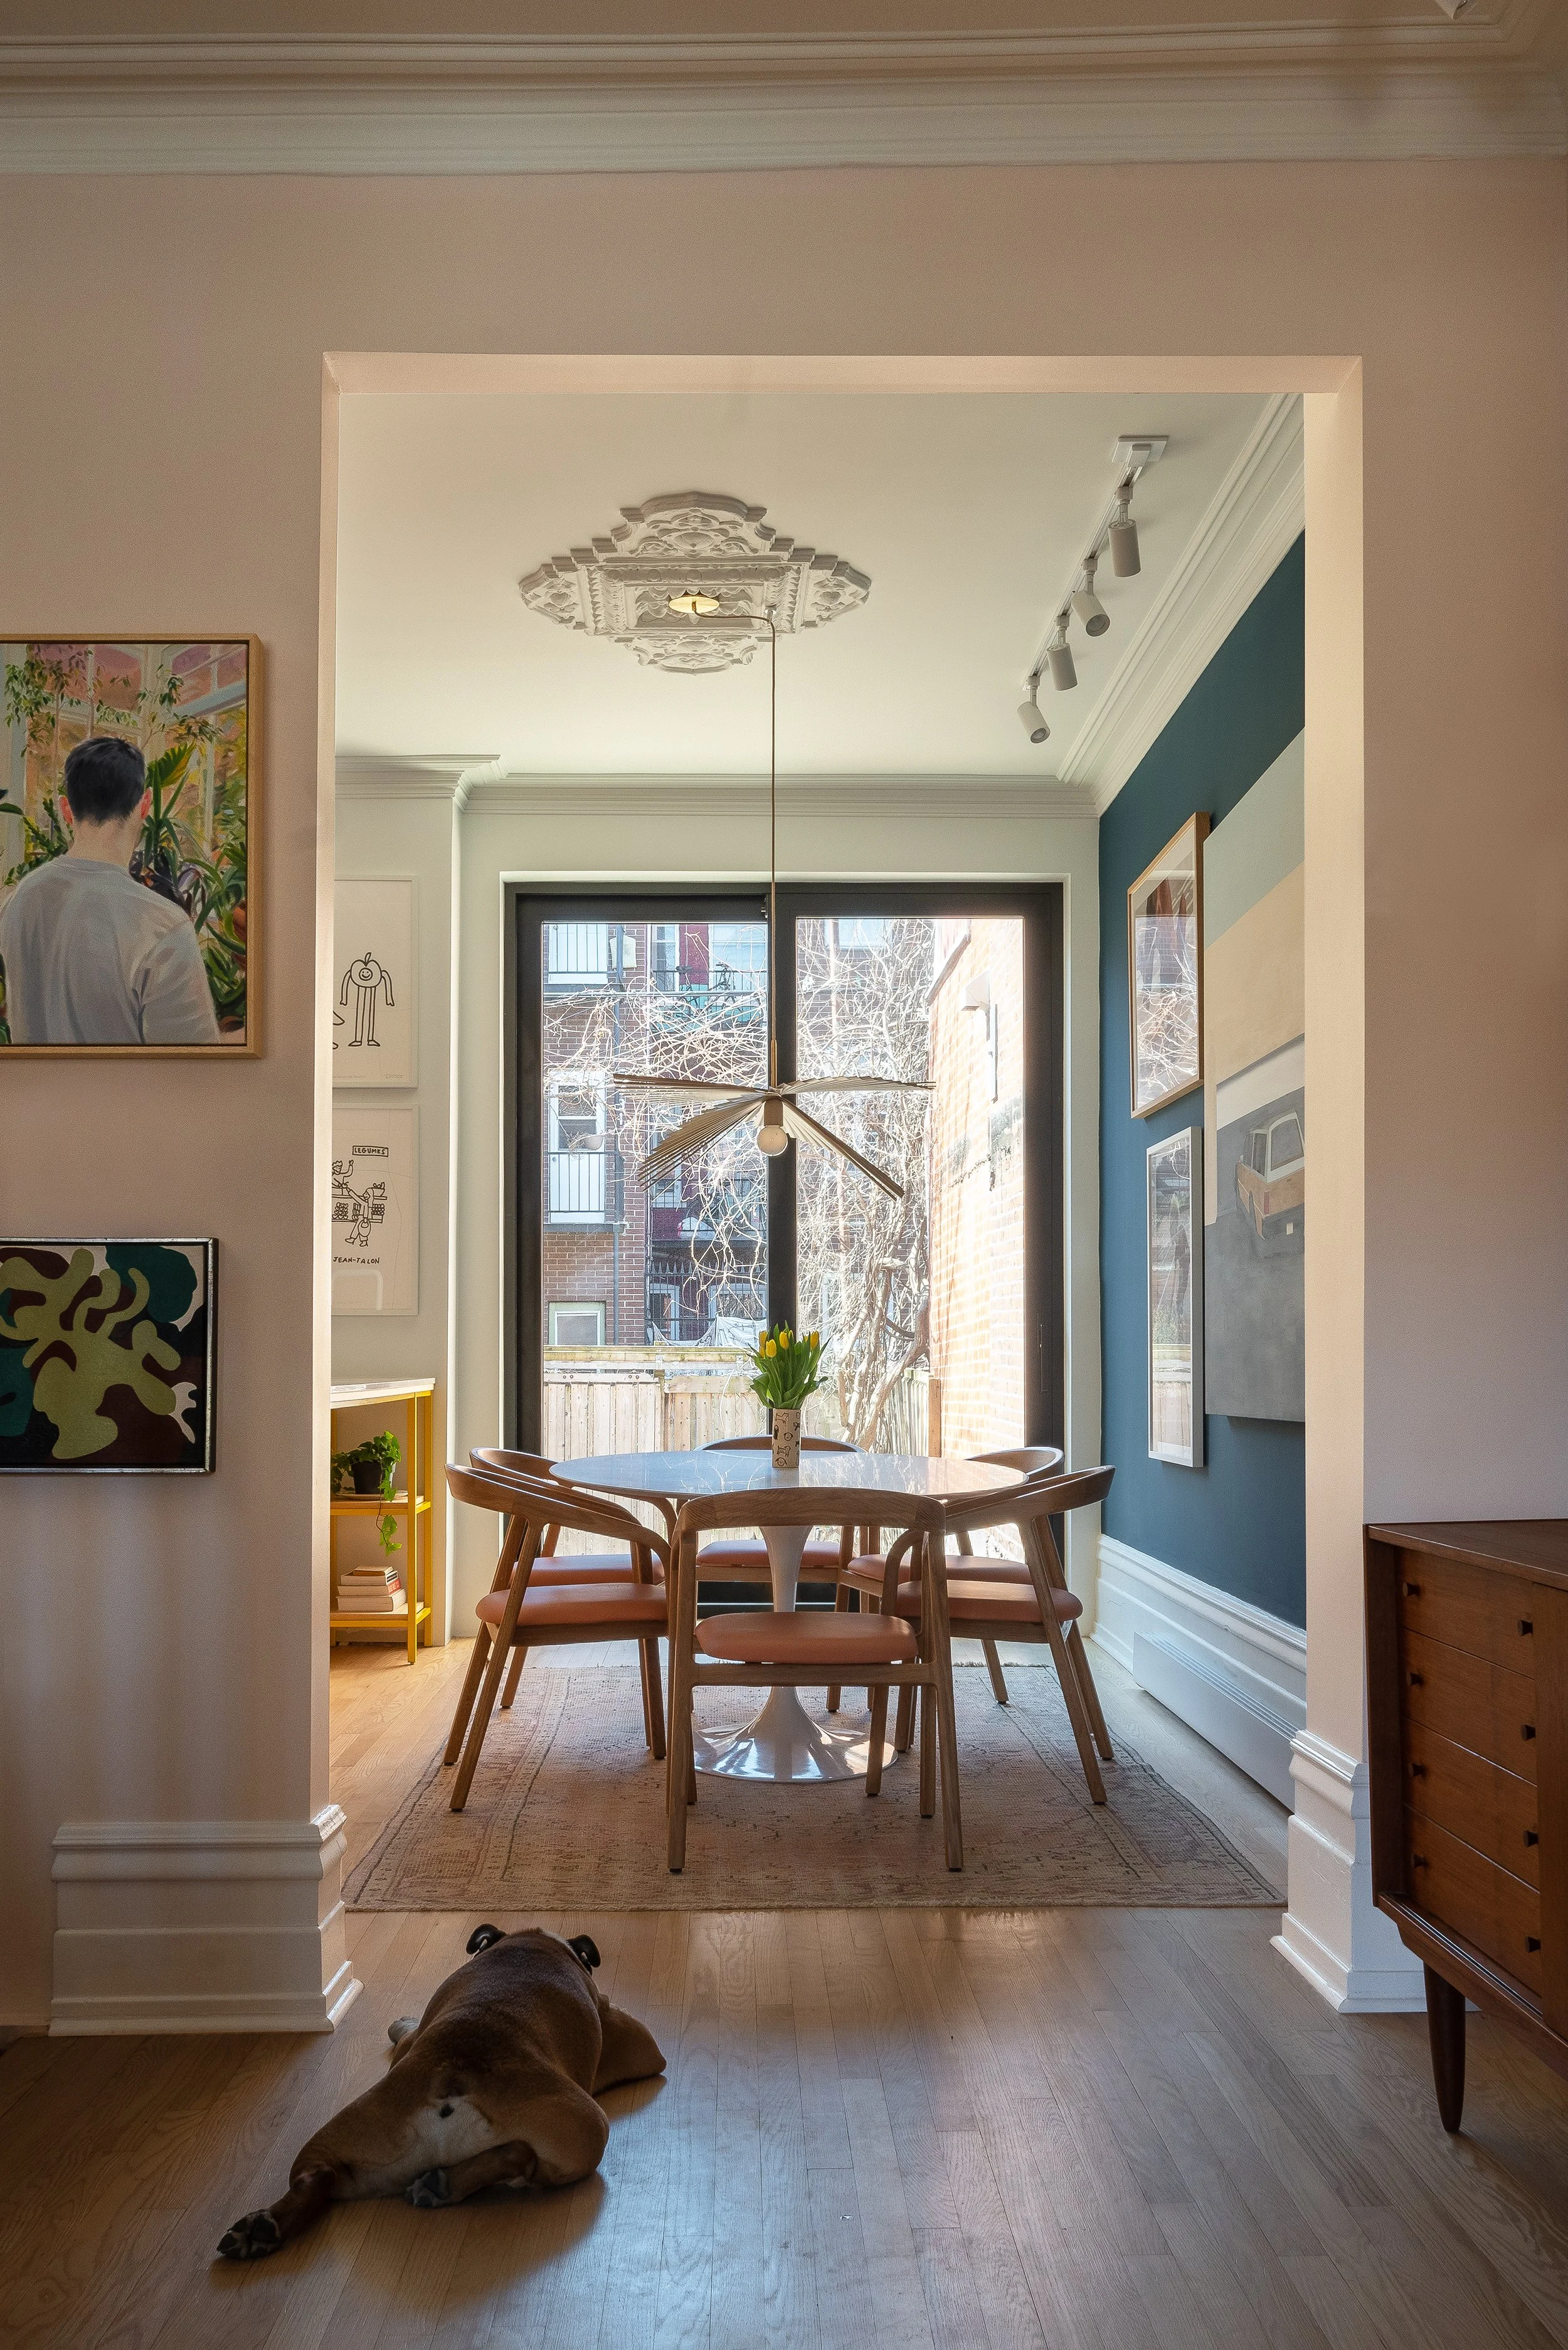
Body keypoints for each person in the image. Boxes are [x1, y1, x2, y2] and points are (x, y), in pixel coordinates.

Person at [0, 734, 220, 1046]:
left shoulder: (19, 900)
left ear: (66, 809)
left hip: (33, 1095)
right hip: (123, 1097)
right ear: (144, 805)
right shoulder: (163, 925)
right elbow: (194, 1070)